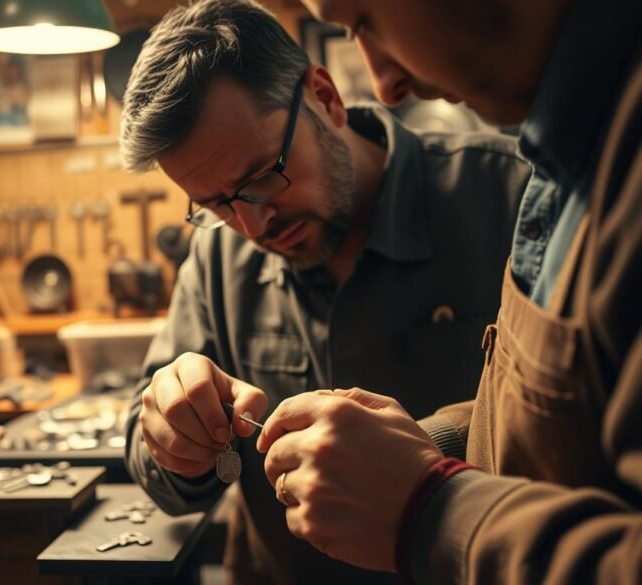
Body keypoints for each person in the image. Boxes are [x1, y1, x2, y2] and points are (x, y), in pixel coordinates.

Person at [117, 1, 531, 582]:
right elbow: (150, 459)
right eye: (214, 206)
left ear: (325, 97)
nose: (252, 227)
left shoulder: (511, 196)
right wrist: (171, 438)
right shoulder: (218, 254)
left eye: (261, 178)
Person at [258, 0, 642, 583]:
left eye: (364, 20)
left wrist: (427, 509)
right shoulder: (566, 142)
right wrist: (420, 446)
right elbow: (569, 409)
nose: (385, 85)